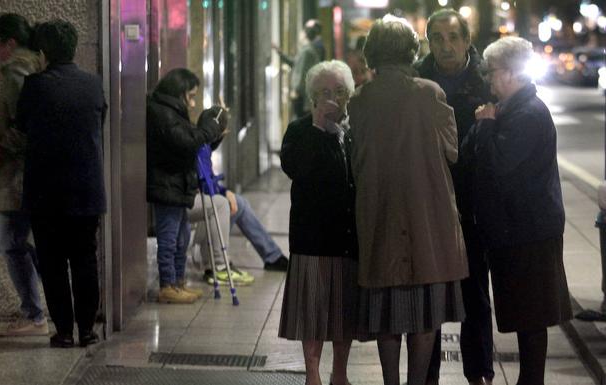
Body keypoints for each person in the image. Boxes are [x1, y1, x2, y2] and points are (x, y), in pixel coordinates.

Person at [348, 15, 468, 385]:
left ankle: (390, 382)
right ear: (410, 51)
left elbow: (355, 160)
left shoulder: (360, 100)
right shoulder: (429, 93)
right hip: (426, 220)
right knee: (425, 319)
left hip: (379, 216)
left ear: (372, 54)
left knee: (386, 316)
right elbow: (453, 150)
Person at [461, 36, 572, 385]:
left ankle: (531, 381)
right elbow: (469, 158)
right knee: (526, 314)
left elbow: (499, 166)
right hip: (516, 230)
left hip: (529, 231)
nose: (488, 79)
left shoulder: (526, 114)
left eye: (492, 72)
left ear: (510, 73)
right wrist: (486, 124)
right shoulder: (507, 109)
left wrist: (486, 125)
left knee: (531, 317)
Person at [414, 9, 494, 385]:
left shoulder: (485, 81)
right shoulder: (415, 80)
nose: (446, 46)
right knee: (427, 296)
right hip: (427, 202)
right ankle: (426, 374)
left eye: (453, 37)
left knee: (475, 295)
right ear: (428, 42)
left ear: (466, 40)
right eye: (437, 38)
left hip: (473, 204)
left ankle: (478, 373)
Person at [15, 19, 106, 348]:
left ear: (42, 53)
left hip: (46, 191)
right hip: (87, 188)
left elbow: (21, 126)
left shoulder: (35, 86)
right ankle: (87, 330)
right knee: (85, 258)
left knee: (52, 263)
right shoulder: (93, 84)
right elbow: (100, 121)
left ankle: (64, 332)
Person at [279, 60, 358, 385]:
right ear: (312, 96)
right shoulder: (300, 130)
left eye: (339, 91)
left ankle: (340, 372)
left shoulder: (353, 132)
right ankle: (312, 374)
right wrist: (317, 127)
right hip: (311, 237)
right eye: (325, 92)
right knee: (311, 313)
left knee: (343, 312)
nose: (333, 98)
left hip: (348, 236)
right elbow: (296, 168)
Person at [0, 13, 47, 337]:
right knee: (18, 241)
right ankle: (41, 308)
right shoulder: (29, 66)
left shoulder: (17, 72)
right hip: (22, 173)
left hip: (16, 174)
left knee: (10, 242)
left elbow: (22, 128)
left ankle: (33, 313)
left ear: (9, 44)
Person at [146, 68, 226, 304]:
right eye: (190, 96)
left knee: (181, 237)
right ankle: (167, 285)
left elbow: (193, 141)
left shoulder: (173, 112)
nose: (192, 103)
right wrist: (211, 128)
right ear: (179, 92)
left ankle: (178, 282)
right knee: (169, 238)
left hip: (177, 185)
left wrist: (213, 135)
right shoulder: (162, 113)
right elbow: (187, 141)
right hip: (166, 185)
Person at [187, 140, 288, 286]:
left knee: (238, 203)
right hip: (188, 202)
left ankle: (272, 256)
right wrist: (223, 192)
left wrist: (224, 192)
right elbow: (205, 183)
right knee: (224, 203)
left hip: (196, 201)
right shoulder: (198, 144)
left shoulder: (203, 144)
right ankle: (214, 261)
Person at [272, 19, 322, 119]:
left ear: (305, 34)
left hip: (301, 96)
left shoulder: (307, 51)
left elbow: (302, 72)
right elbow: (295, 63)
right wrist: (279, 52)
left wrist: (296, 90)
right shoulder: (308, 50)